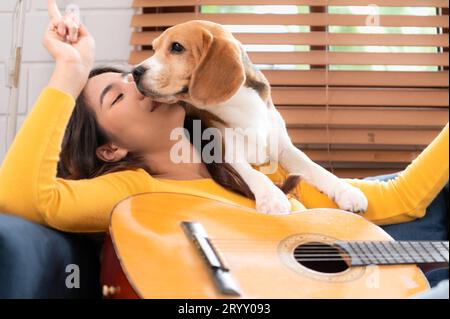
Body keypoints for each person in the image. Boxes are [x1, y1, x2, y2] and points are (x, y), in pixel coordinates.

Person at [0, 1, 448, 236]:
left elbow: (400, 199)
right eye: (117, 97)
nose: (136, 83)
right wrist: (71, 71)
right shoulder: (134, 190)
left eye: (127, 78)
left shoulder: (255, 166)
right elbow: (22, 201)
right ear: (111, 148)